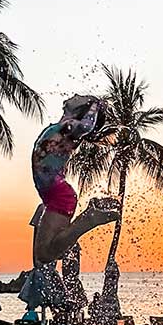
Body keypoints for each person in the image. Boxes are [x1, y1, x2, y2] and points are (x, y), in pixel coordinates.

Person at [30, 95, 120, 265]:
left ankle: (88, 219)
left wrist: (96, 105)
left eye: (81, 98)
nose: (75, 96)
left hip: (59, 194)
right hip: (52, 193)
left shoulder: (72, 128)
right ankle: (88, 217)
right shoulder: (65, 128)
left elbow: (86, 125)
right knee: (46, 253)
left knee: (44, 254)